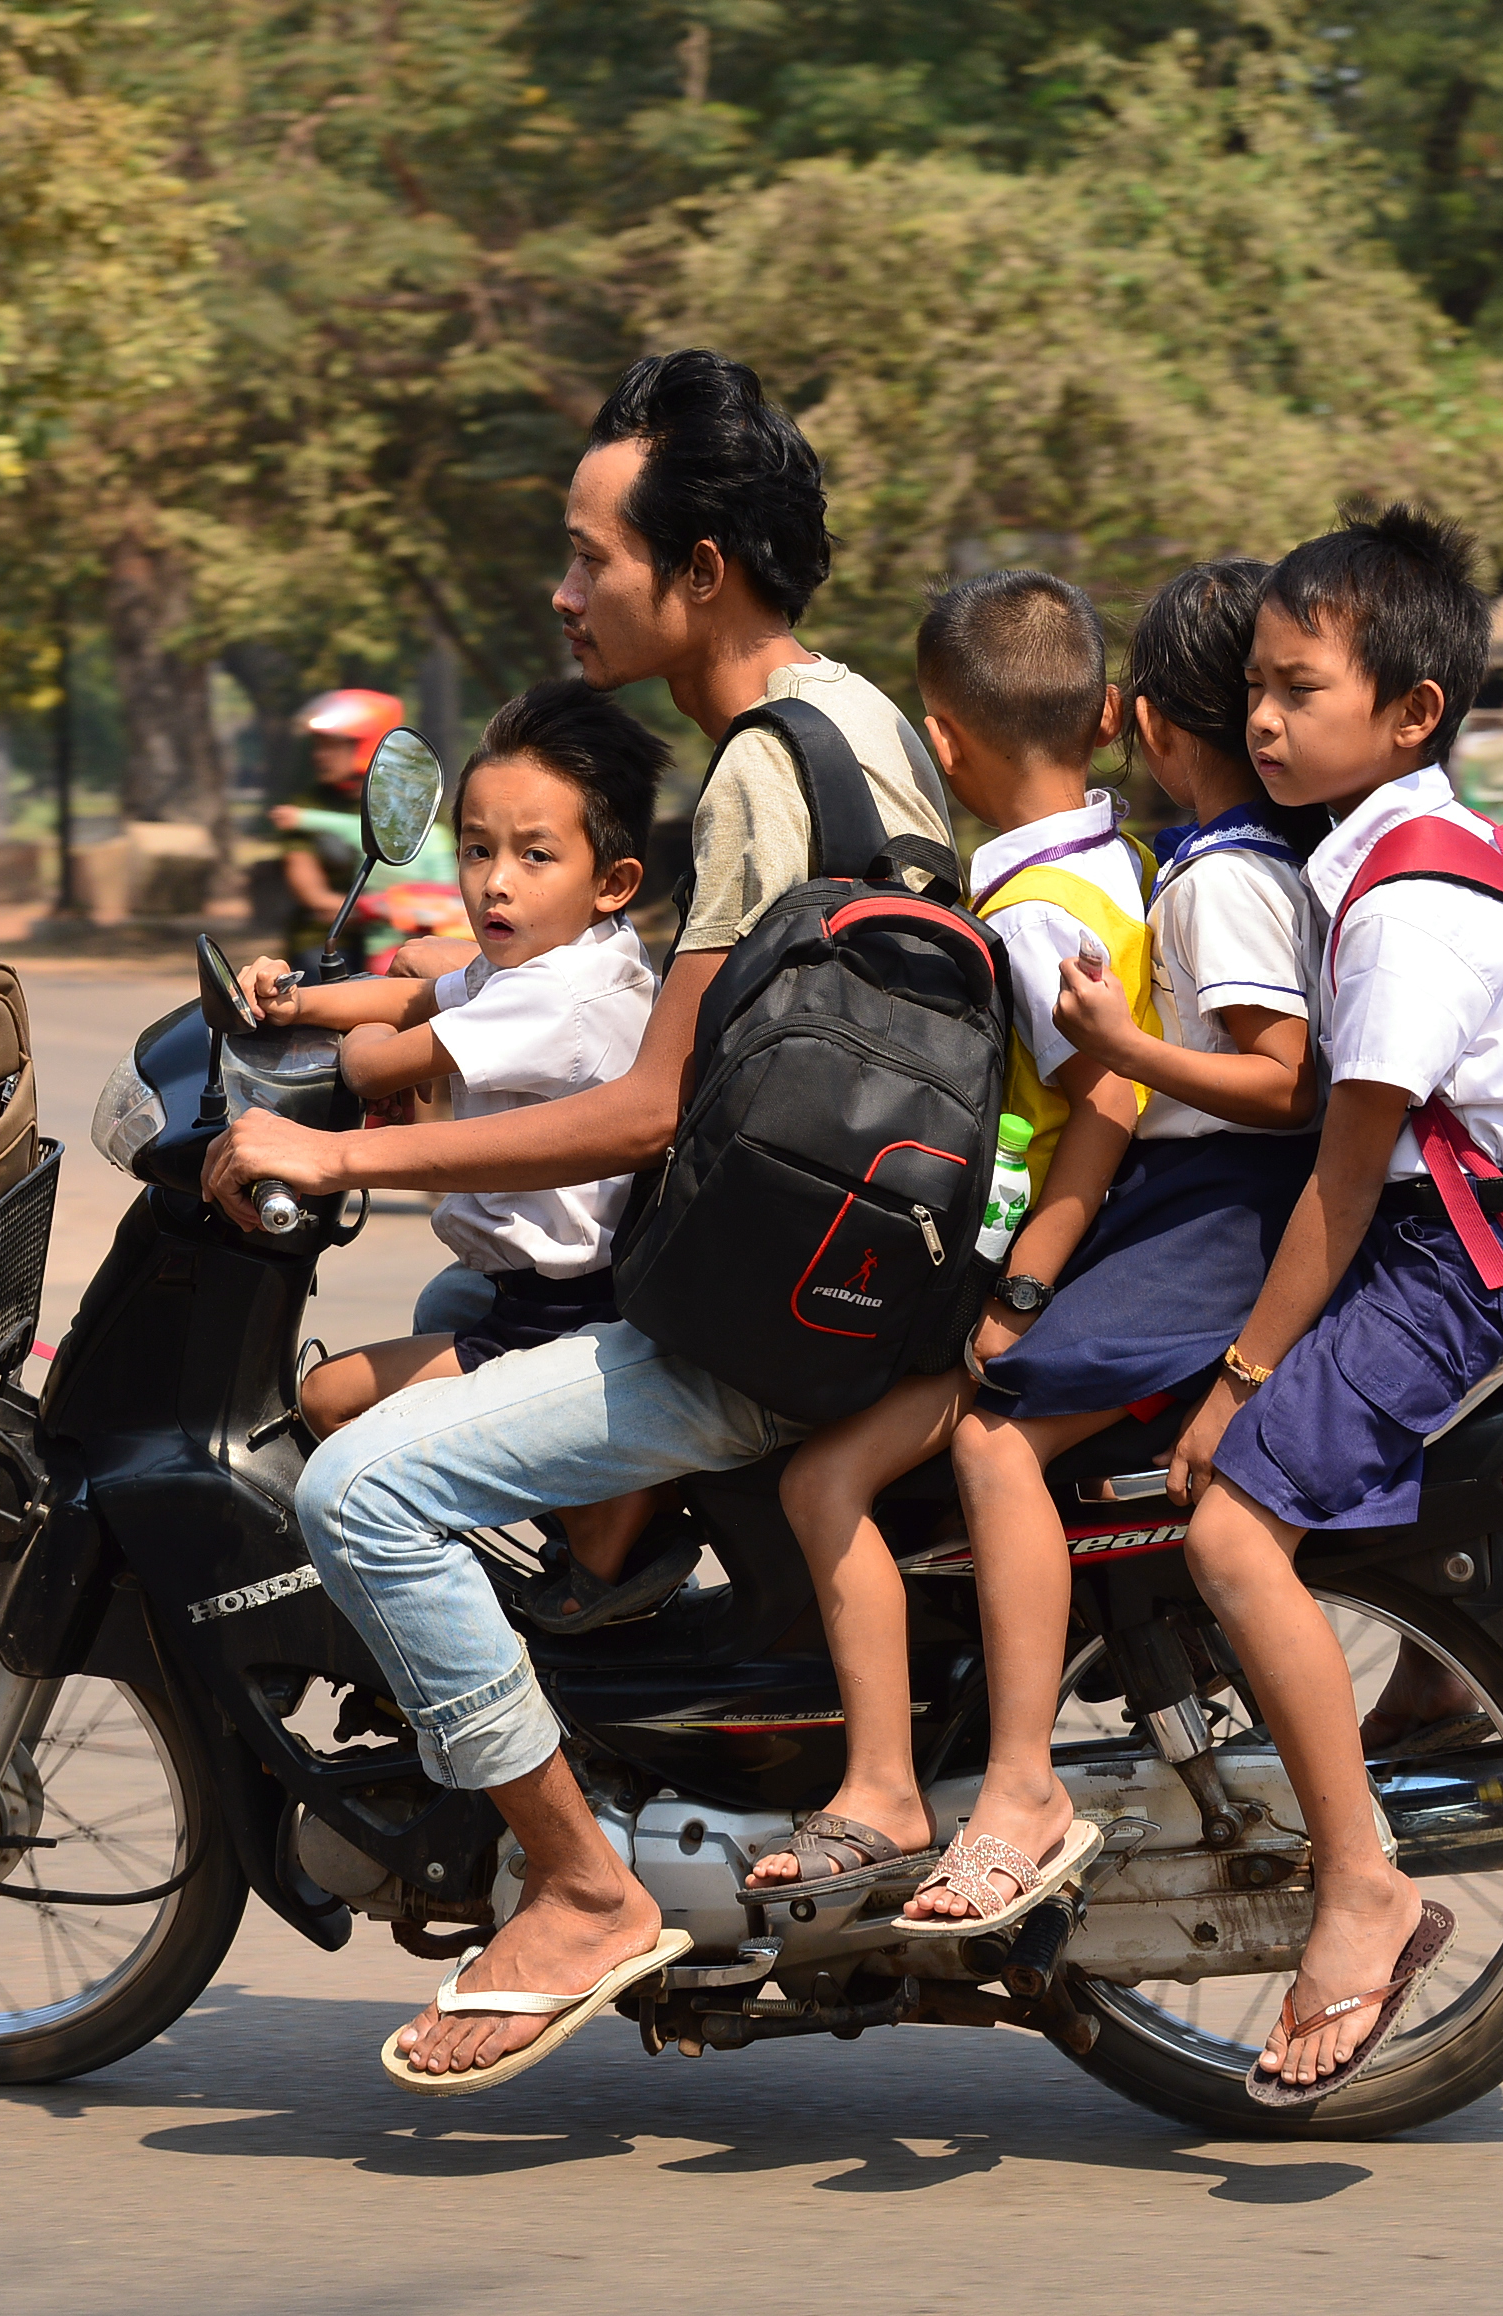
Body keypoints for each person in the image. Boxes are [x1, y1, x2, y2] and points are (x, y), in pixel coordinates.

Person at [200, 348, 954, 2089]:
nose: (561, 592)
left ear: (696, 572)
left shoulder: (767, 768)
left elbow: (645, 1105)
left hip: (752, 1324)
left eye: (589, 557)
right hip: (865, 1276)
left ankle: (572, 1879)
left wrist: (336, 1160)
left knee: (358, 1483)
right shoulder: (866, 723)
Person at [1161, 504, 1503, 2103]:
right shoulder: (1395, 853)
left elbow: (1346, 1177)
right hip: (1459, 1235)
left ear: (1410, 714)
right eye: (1254, 685)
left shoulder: (1406, 906)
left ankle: (1362, 1886)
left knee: (1224, 1525)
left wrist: (1239, 1380)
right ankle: (1440, 1686)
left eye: (1300, 688)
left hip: (1452, 1262)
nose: (1263, 718)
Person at [902, 557, 1333, 1927]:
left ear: (1141, 723)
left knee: (989, 1434)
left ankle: (1019, 1780)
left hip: (1216, 1210)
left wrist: (1022, 1291)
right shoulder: (1151, 858)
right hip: (1199, 1198)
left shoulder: (1188, 884)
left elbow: (1246, 1082)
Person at [740, 570, 1150, 1907]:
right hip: (1094, 1249)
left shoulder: (1028, 911)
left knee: (818, 1481)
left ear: (946, 744)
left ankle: (885, 1784)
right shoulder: (1109, 866)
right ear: (1102, 718)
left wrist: (1019, 1295)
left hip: (1028, 1264)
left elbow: (1103, 1100)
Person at [242, 680, 686, 1631]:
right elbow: (422, 994)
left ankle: (579, 1566)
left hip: (561, 1317)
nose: (495, 881)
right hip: (560, 1289)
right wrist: (294, 1004)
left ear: (612, 881)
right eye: (478, 849)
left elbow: (381, 1061)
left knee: (326, 1401)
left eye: (534, 855)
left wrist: (341, 1075)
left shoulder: (551, 998)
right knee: (425, 1319)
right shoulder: (575, 958)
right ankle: (592, 1528)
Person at [267, 689, 457, 964]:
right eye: (318, 746)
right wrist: (375, 909)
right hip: (329, 940)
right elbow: (310, 893)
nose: (320, 756)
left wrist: (410, 911)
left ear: (367, 744)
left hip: (401, 940)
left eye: (332, 746)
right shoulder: (307, 806)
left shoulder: (408, 801)